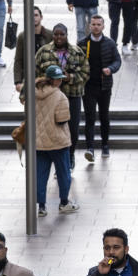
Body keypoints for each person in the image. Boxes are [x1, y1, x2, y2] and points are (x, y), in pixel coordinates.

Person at [35, 23, 88, 168]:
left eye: (61, 34)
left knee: (73, 128)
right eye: (56, 34)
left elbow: (85, 73)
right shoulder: (43, 52)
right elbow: (35, 73)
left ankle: (70, 155)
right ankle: (55, 157)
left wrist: (70, 77)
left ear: (66, 35)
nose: (59, 37)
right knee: (52, 127)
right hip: (50, 97)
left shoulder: (77, 52)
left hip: (72, 95)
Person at [31, 64, 79, 215]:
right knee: (63, 172)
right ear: (54, 80)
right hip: (58, 142)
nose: (60, 81)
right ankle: (64, 202)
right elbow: (62, 119)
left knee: (40, 175)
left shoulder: (33, 93)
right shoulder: (60, 96)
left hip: (39, 142)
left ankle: (41, 207)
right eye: (59, 79)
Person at [80, 15, 122, 161]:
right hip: (88, 87)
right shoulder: (83, 43)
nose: (96, 27)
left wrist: (110, 69)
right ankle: (90, 147)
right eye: (93, 24)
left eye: (99, 24)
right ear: (89, 26)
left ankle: (105, 144)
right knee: (90, 117)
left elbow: (117, 60)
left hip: (104, 87)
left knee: (104, 116)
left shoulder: (110, 44)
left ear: (103, 26)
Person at [13, 6, 53, 93]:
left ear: (41, 17)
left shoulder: (50, 35)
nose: (34, 18)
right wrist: (18, 81)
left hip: (45, 78)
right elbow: (18, 60)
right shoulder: (22, 36)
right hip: (28, 77)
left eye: (36, 15)